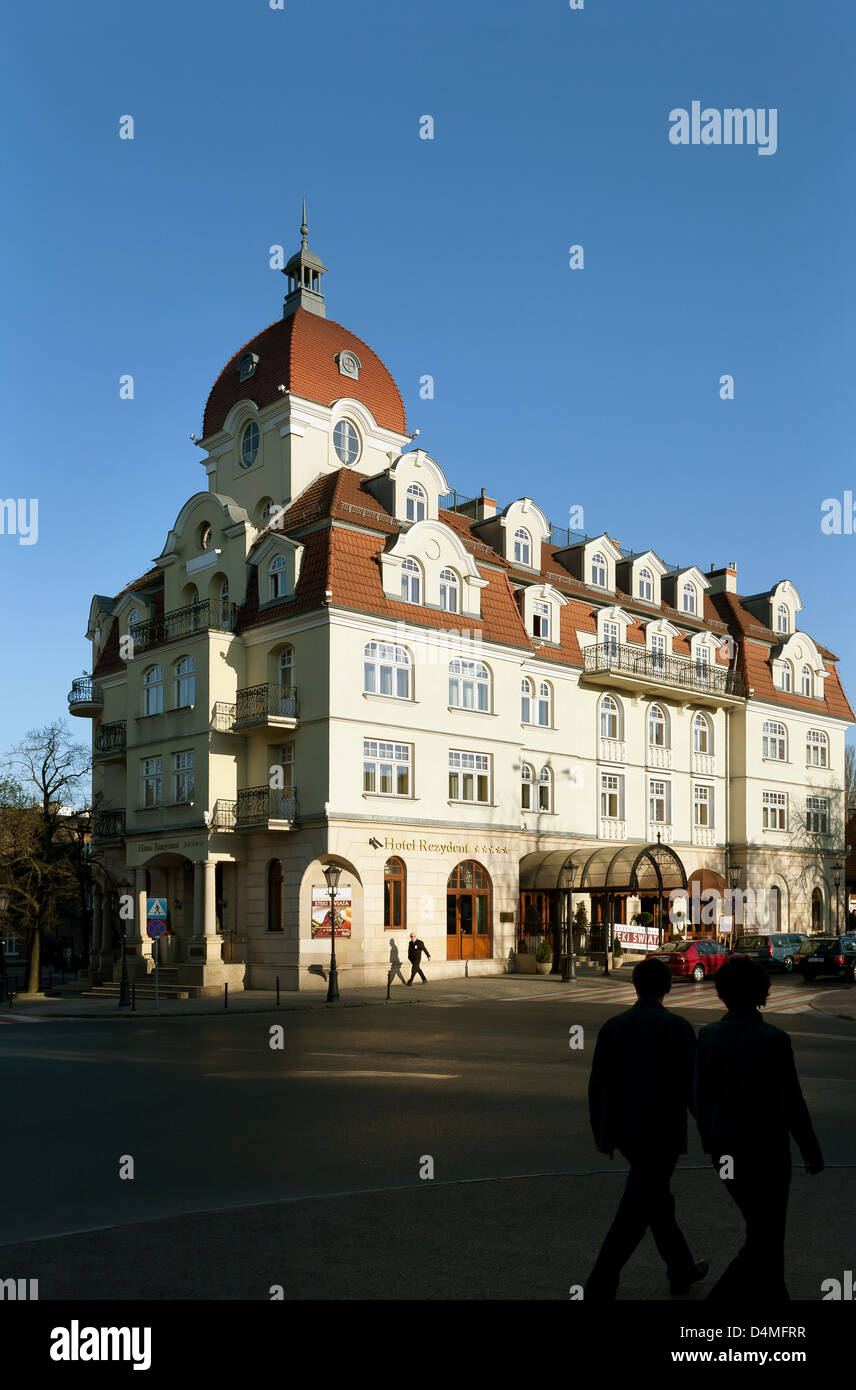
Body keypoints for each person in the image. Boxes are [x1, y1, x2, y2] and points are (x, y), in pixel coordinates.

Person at [694, 955, 823, 1300]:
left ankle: (775, 1292)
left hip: (727, 1152)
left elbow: (701, 1099)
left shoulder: (709, 1036)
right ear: (761, 992)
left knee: (763, 1230)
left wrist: (710, 1142)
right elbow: (792, 1102)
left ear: (722, 994)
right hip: (768, 1152)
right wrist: (810, 1149)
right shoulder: (774, 1039)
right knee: (766, 1234)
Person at [585, 957, 707, 1300]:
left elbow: (598, 1085)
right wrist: (710, 1131)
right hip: (662, 1133)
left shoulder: (614, 1026)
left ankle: (681, 1270)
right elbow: (691, 1088)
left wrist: (602, 1134)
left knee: (655, 1202)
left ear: (635, 986)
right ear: (667, 987)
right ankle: (601, 1281)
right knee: (636, 1211)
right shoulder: (677, 1027)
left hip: (625, 1132)